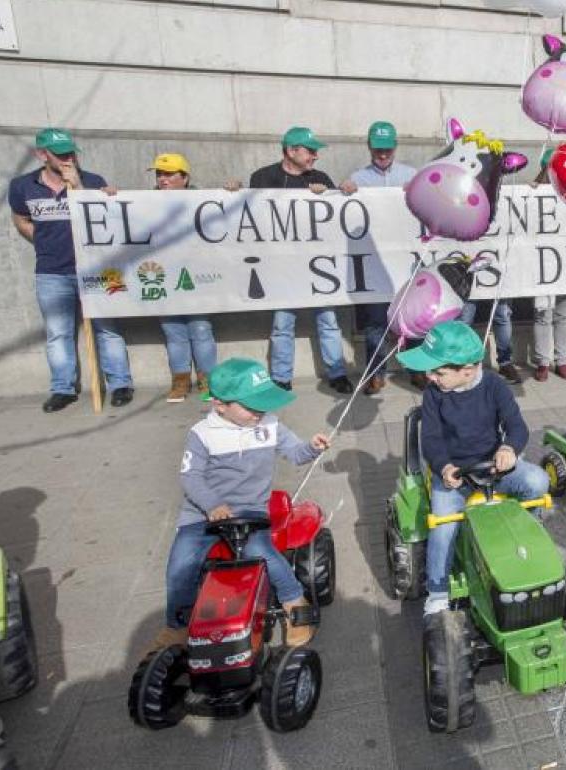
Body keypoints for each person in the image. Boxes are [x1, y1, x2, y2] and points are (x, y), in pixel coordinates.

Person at [152, 358, 329, 650]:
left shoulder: (269, 425)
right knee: (181, 563)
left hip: (248, 511)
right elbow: (191, 477)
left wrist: (311, 447)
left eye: (262, 405)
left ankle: (294, 600)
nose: (259, 412)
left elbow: (296, 453)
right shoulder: (202, 433)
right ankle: (178, 625)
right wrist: (212, 505)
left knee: (260, 551)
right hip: (202, 514)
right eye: (250, 407)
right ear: (220, 404)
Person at [395, 321, 549, 615]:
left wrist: (508, 449)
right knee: (442, 523)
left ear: (467, 370)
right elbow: (431, 440)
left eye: (438, 372)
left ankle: (528, 536)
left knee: (537, 481)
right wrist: (443, 467)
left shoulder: (494, 386)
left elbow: (517, 426)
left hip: (493, 467)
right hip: (454, 475)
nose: (430, 377)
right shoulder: (434, 394)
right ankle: (438, 592)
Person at [8, 128, 134, 412]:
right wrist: (43, 240)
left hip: (96, 268)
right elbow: (21, 219)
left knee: (108, 329)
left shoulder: (92, 181)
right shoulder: (21, 185)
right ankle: (62, 388)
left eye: (71, 152)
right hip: (52, 271)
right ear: (42, 155)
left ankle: (120, 384)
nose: (68, 158)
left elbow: (104, 220)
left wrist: (78, 187)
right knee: (58, 332)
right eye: (61, 153)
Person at [249, 126, 352, 394]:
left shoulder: (321, 178)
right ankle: (281, 377)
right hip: (282, 267)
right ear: (291, 150)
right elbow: (253, 217)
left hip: (319, 267)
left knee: (328, 320)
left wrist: (338, 191)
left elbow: (337, 217)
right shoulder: (263, 177)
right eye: (310, 151)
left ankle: (337, 373)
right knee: (283, 324)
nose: (315, 157)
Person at [346, 121, 419, 395]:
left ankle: (416, 369)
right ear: (369, 148)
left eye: (387, 149)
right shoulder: (358, 178)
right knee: (376, 321)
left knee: (412, 319)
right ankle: (376, 373)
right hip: (375, 264)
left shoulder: (411, 174)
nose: (383, 155)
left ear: (395, 147)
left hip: (407, 263)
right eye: (378, 150)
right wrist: (344, 192)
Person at [149, 153, 218, 403]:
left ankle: (208, 380)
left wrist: (233, 191)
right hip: (165, 275)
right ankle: (180, 381)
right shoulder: (144, 202)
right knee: (173, 330)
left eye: (169, 174)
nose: (162, 179)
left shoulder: (204, 201)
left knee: (200, 328)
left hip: (197, 275)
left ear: (185, 178)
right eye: (159, 174)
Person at [529, 148, 566, 381]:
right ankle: (542, 361)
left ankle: (562, 359)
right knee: (543, 314)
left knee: (564, 314)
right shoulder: (533, 193)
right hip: (544, 263)